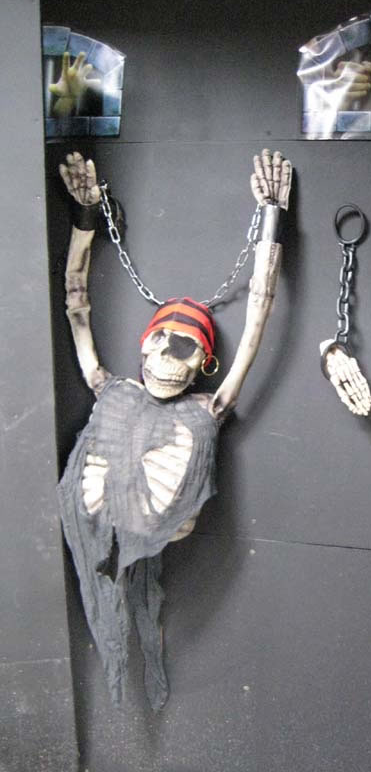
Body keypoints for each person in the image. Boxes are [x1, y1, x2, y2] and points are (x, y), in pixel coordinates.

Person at [57, 149, 292, 709]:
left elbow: (258, 315)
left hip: (158, 522)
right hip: (98, 523)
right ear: (143, 346)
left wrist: (273, 220)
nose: (164, 358)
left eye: (182, 348)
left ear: (204, 364)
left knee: (143, 608)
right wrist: (85, 220)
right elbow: (76, 305)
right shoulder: (112, 388)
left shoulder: (209, 407)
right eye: (156, 342)